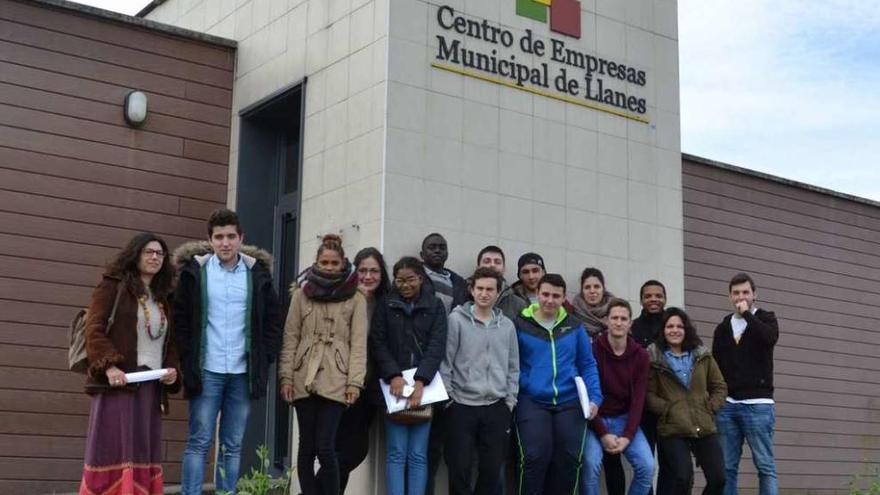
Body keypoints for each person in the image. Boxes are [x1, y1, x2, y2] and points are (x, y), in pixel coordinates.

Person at [174, 208, 282, 495]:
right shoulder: (195, 272)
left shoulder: (255, 273)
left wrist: (266, 356)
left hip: (241, 372)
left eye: (230, 236)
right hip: (207, 369)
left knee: (232, 445)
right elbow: (181, 320)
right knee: (199, 441)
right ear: (209, 240)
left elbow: (273, 319)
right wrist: (187, 358)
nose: (225, 243)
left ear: (240, 238)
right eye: (219, 237)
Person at [79, 233, 180, 495]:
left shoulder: (163, 296)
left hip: (150, 389)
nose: (155, 257)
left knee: (141, 452)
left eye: (160, 253)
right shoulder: (113, 285)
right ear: (135, 254)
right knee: (113, 449)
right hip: (118, 384)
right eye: (149, 252)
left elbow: (169, 341)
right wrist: (109, 367)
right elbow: (94, 329)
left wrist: (172, 372)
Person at [279, 234, 368, 495]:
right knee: (306, 446)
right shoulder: (300, 294)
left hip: (337, 377)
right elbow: (290, 336)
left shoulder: (356, 298)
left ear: (343, 264)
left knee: (326, 447)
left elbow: (359, 344)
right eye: (324, 262)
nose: (329, 267)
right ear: (317, 262)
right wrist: (286, 377)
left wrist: (354, 382)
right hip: (302, 375)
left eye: (334, 263)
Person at [515, 273, 602, 495]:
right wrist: (528, 383)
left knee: (570, 460)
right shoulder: (520, 324)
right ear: (537, 294)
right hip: (532, 400)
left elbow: (587, 364)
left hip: (570, 401)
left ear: (564, 298)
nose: (550, 300)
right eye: (545, 294)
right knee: (534, 457)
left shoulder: (574, 327)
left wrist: (594, 398)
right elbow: (512, 364)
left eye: (556, 295)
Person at [369, 256, 448, 495]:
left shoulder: (435, 306)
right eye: (399, 280)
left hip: (424, 388)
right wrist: (393, 375)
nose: (405, 285)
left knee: (417, 454)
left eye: (410, 279)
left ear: (421, 279)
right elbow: (378, 343)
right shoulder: (385, 305)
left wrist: (421, 381)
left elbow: (437, 346)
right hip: (393, 388)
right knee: (395, 452)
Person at [441, 267, 519, 495]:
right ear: (472, 291)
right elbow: (446, 361)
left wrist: (509, 401)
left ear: (497, 292)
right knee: (459, 470)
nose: (484, 293)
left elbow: (514, 366)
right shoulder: (456, 320)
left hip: (496, 407)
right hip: (461, 406)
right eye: (480, 289)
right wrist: (449, 399)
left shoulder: (507, 326)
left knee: (492, 472)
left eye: (490, 289)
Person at [647, 308, 727, 495]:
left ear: (686, 329)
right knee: (682, 478)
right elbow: (648, 394)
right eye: (669, 326)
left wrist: (711, 407)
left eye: (679, 326)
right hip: (673, 427)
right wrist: (668, 410)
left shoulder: (702, 355)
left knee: (719, 478)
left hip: (703, 424)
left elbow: (719, 386)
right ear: (663, 330)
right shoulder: (654, 358)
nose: (674, 330)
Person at [712, 273, 779, 495]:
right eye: (736, 293)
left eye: (745, 292)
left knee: (765, 466)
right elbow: (715, 368)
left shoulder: (766, 318)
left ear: (754, 295)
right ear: (729, 296)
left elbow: (769, 338)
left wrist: (747, 316)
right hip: (728, 406)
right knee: (727, 468)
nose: (741, 297)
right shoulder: (722, 328)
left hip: (759, 404)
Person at [582, 298, 653, 495]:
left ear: (630, 323)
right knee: (590, 465)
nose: (619, 322)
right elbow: (587, 396)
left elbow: (638, 400)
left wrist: (628, 436)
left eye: (624, 318)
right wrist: (603, 433)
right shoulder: (593, 349)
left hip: (624, 419)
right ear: (606, 321)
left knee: (647, 467)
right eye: (614, 318)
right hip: (594, 420)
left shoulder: (641, 356)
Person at [605, 280, 667, 495]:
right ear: (641, 300)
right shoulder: (635, 328)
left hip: (669, 404)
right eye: (648, 296)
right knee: (643, 461)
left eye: (658, 295)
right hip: (642, 407)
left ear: (664, 299)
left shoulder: (673, 325)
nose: (653, 299)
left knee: (669, 463)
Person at [336, 247, 391, 493]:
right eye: (363, 270)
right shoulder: (343, 299)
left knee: (352, 452)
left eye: (374, 271)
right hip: (341, 384)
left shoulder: (386, 303)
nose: (368, 276)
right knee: (341, 451)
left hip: (370, 387)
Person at [420, 232, 468, 314]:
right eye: (432, 247)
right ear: (422, 254)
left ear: (447, 254)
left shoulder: (459, 282)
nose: (437, 250)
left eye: (442, 248)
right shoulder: (412, 276)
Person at [496, 252, 545, 321]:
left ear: (543, 272)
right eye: (526, 272)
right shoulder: (510, 299)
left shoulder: (557, 297)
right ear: (520, 276)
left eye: (535, 271)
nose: (531, 276)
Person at [569, 267, 614, 338]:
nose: (592, 291)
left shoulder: (616, 313)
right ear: (582, 291)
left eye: (596, 287)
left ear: (603, 289)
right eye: (587, 287)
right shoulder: (572, 316)